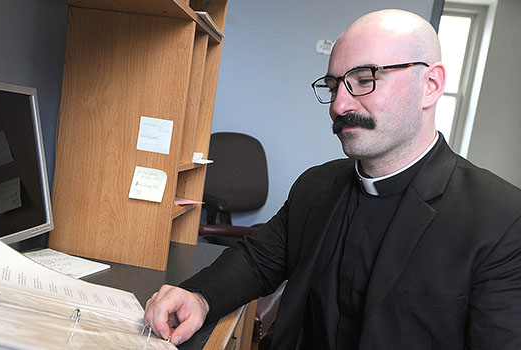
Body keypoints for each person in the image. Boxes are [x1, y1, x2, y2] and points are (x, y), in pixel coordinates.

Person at [144, 9, 521, 349]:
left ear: (431, 85)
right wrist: (200, 296)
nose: (340, 105)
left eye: (364, 78)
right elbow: (258, 260)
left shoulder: (501, 219)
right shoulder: (316, 186)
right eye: (333, 86)